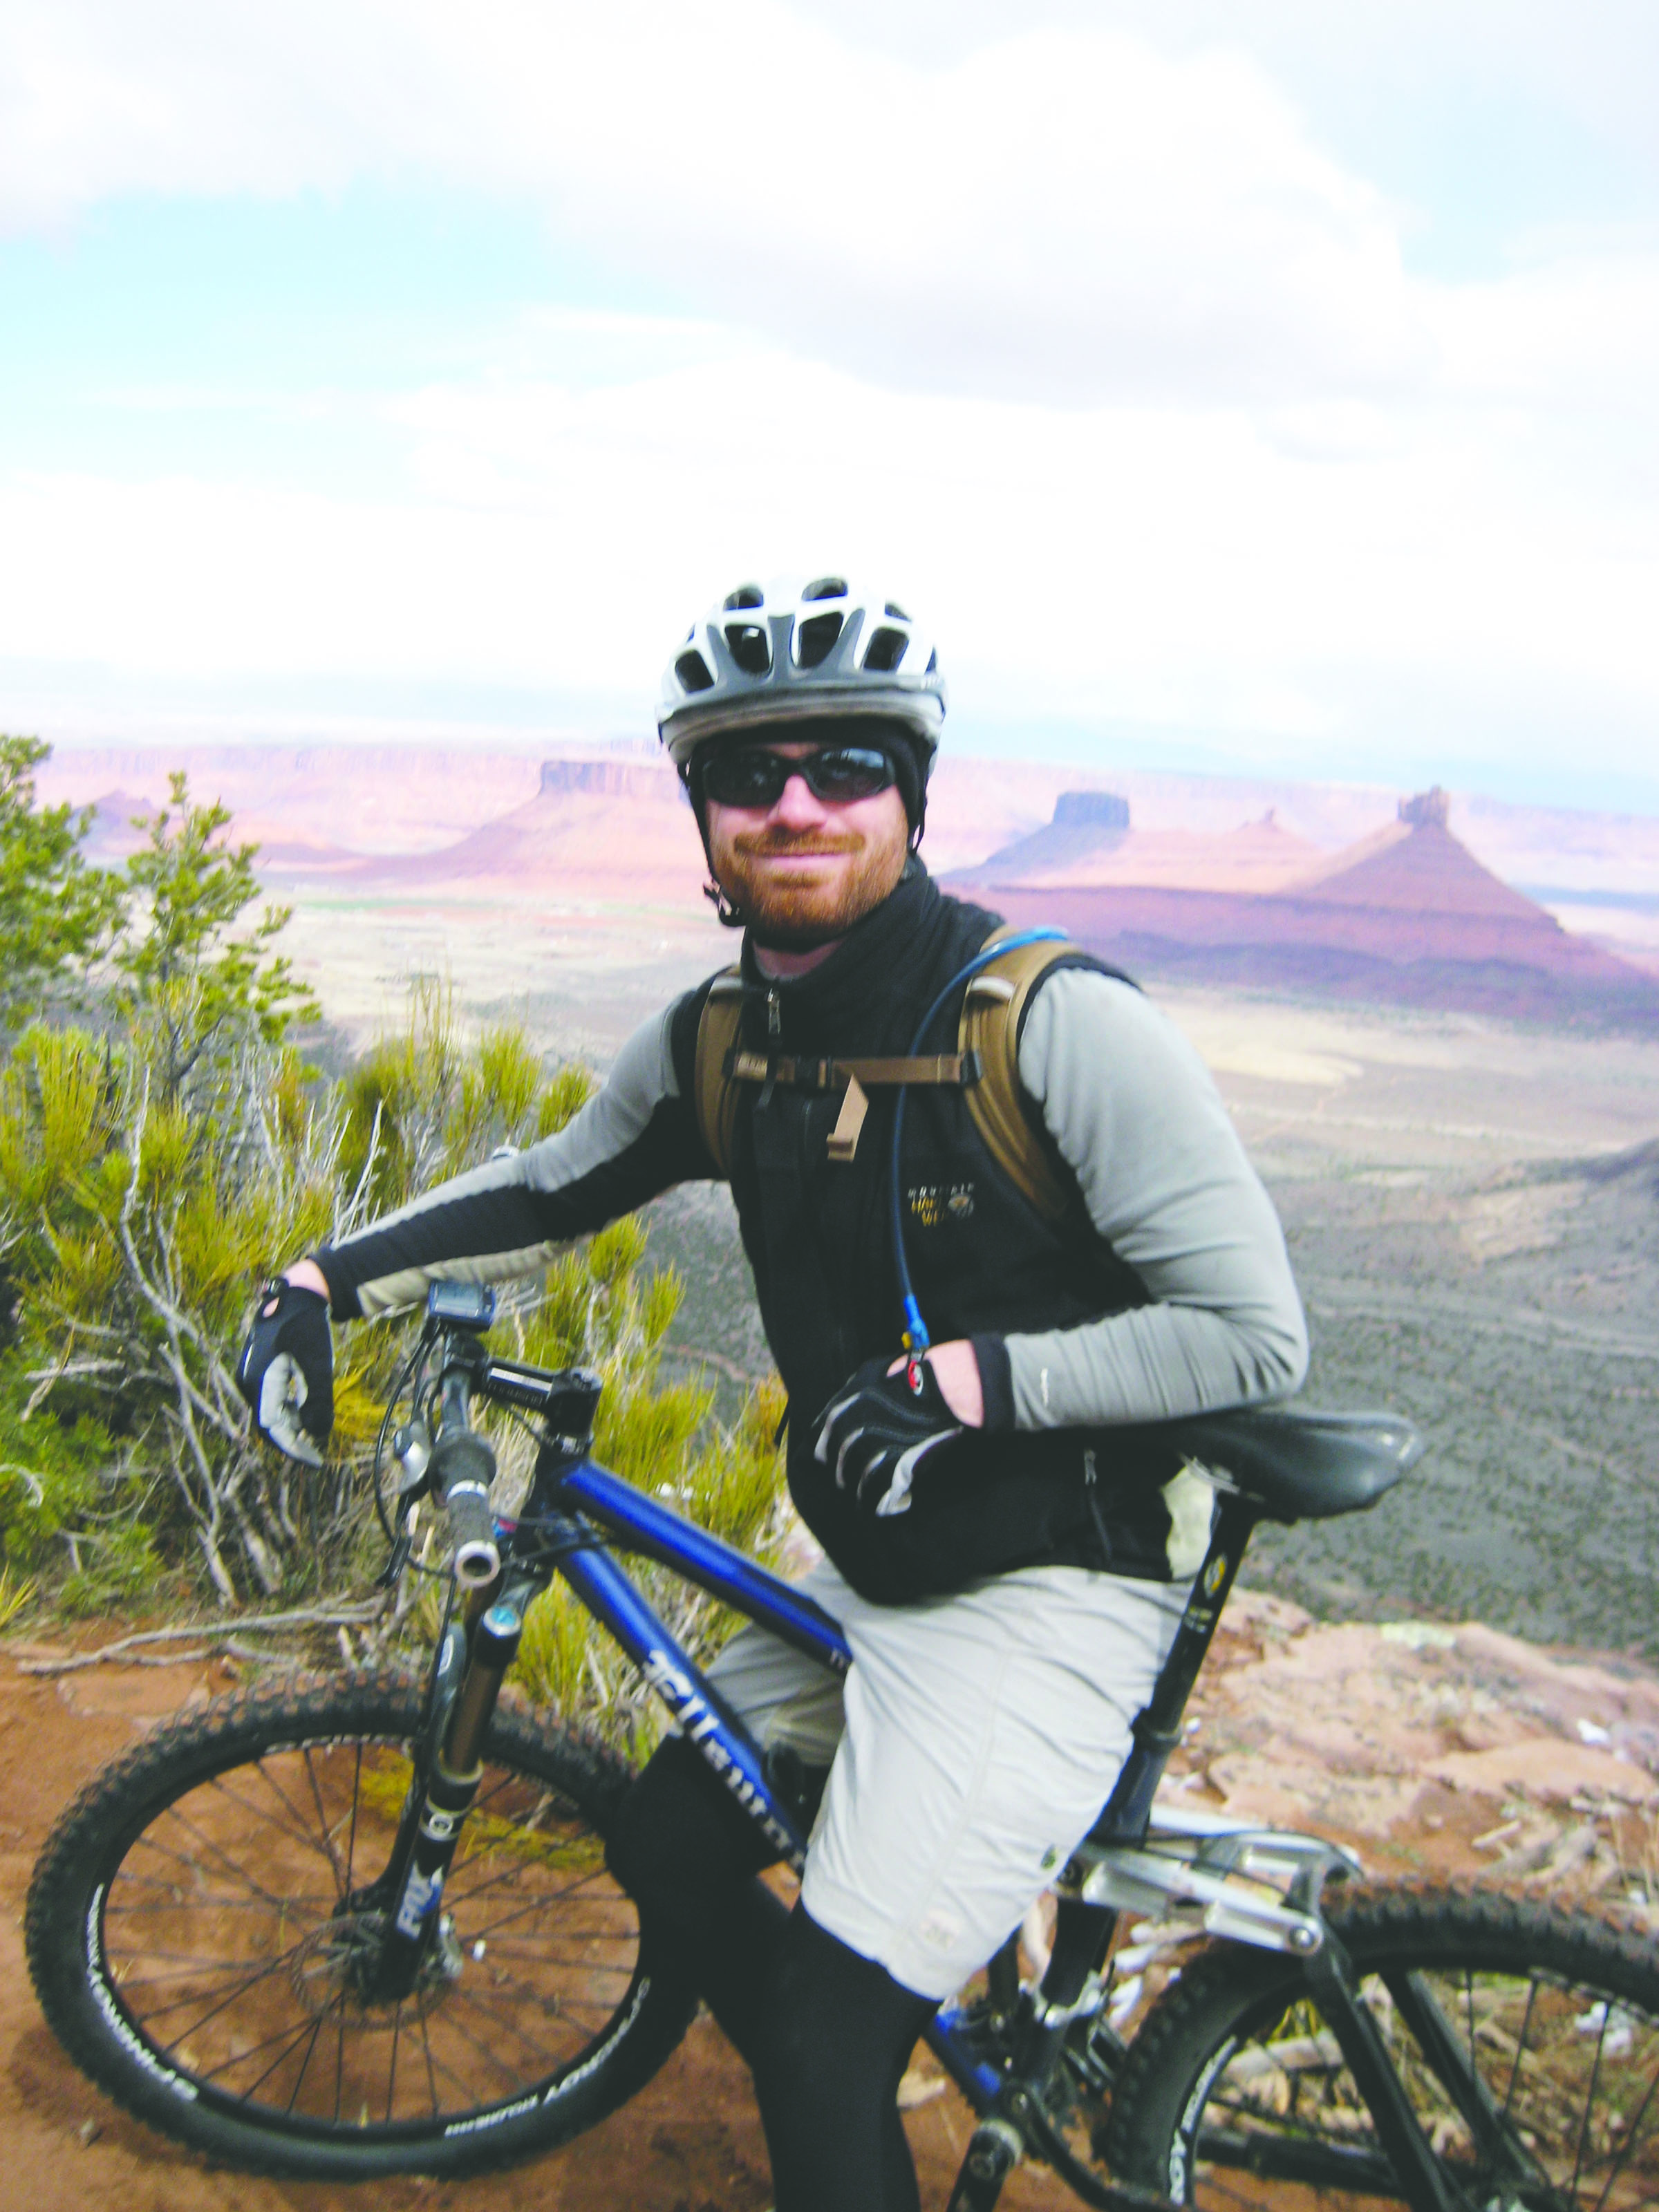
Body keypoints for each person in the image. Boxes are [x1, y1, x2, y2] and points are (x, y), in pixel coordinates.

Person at [238, 575, 1309, 2212]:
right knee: (665, 1846)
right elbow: (548, 1191)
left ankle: (841, 2073)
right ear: (705, 813)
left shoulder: (1055, 1024)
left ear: (913, 792)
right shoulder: (727, 1039)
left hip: (1053, 1579)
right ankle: (870, 2092)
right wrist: (321, 1279)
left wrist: (981, 1380)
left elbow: (1251, 1334)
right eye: (750, 775)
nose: (796, 804)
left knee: (815, 2045)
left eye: (846, 766)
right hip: (877, 1559)